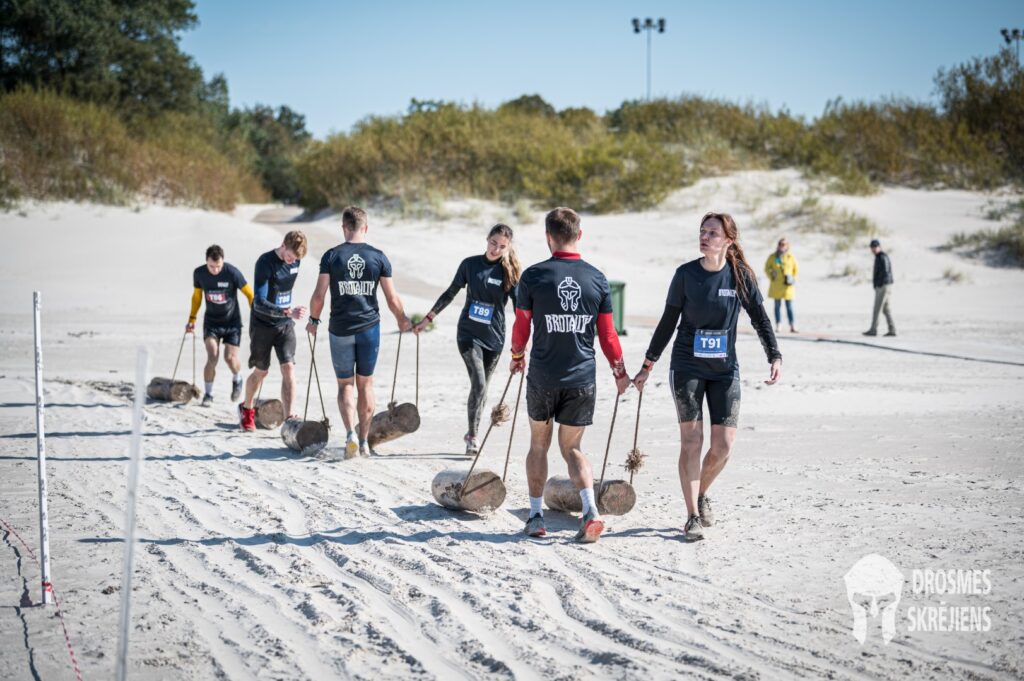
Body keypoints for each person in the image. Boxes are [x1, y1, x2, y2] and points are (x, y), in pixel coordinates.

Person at [633, 212, 782, 540]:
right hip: (687, 366)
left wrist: (774, 354)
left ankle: (701, 493)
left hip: (725, 370)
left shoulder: (740, 276)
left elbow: (760, 318)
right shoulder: (685, 275)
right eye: (703, 231)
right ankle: (691, 516)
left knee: (724, 445)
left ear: (728, 240)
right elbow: (667, 321)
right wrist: (648, 365)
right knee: (692, 441)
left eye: (713, 233)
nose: (705, 237)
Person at [511, 207, 630, 543]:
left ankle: (536, 516)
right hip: (582, 378)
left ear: (548, 237)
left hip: (544, 376)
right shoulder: (597, 279)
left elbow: (522, 326)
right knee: (573, 448)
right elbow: (608, 336)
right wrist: (620, 372)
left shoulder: (533, 276)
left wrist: (516, 356)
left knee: (538, 444)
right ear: (580, 235)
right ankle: (590, 511)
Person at [307, 207, 411, 457]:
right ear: (365, 228)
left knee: (345, 385)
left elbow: (319, 296)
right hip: (369, 330)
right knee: (366, 384)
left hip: (340, 329)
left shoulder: (331, 256)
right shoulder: (378, 257)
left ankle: (350, 434)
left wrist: (313, 320)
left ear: (344, 227)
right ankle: (364, 440)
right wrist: (402, 319)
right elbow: (392, 298)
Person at [414, 224, 522, 456]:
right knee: (480, 385)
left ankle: (472, 430)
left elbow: (521, 309)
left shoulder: (509, 272)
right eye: (493, 243)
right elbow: (451, 292)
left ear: (508, 247)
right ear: (487, 239)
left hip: (494, 339)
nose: (496, 249)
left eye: (502, 246)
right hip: (468, 334)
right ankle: (473, 436)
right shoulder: (470, 265)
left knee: (481, 390)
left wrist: (522, 343)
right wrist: (428, 318)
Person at [238, 231, 308, 431]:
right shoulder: (265, 262)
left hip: (284, 324)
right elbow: (258, 302)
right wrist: (286, 310)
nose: (291, 261)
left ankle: (290, 417)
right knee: (261, 371)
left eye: (295, 259)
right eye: (289, 256)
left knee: (289, 367)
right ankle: (247, 409)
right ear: (283, 245)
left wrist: (290, 313)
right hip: (262, 324)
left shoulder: (296, 261)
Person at [186, 245, 254, 406]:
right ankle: (208, 394)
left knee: (230, 358)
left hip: (232, 323)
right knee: (212, 356)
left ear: (223, 262)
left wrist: (257, 314)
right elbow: (197, 297)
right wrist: (192, 319)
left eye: (218, 266)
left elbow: (250, 294)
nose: (215, 270)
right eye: (211, 266)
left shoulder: (232, 272)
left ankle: (237, 379)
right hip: (212, 323)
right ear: (206, 262)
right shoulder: (199, 273)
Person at [764, 237, 798, 333]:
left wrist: (793, 279)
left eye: (784, 244)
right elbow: (767, 268)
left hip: (788, 286)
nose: (782, 246)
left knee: (790, 306)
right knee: (777, 306)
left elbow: (796, 270)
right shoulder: (772, 257)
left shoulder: (791, 257)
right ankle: (778, 324)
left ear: (787, 246)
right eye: (780, 244)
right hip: (776, 285)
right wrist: (771, 275)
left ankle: (792, 325)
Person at [864, 238, 896, 337]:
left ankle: (873, 330)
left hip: (883, 285)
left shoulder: (882, 256)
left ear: (879, 247)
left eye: (875, 247)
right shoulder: (878, 257)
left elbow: (885, 272)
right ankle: (892, 330)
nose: (873, 249)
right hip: (884, 285)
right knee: (886, 309)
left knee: (877, 308)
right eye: (872, 247)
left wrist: (880, 283)